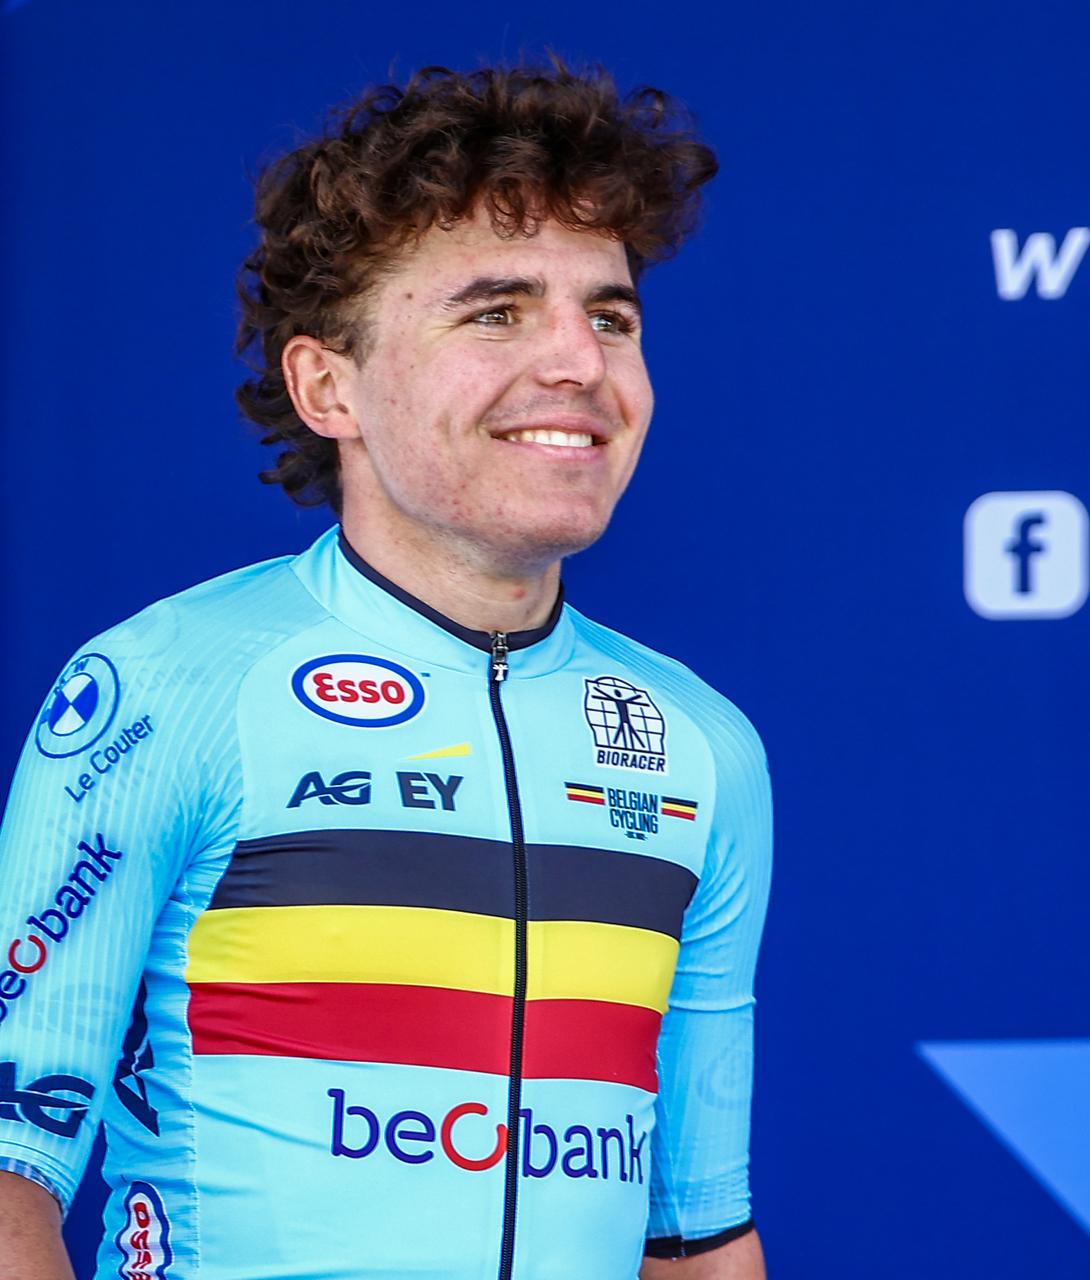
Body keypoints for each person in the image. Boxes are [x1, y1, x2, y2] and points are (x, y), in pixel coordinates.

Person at [0, 62, 769, 1279]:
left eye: (611, 317)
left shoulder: (700, 745)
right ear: (328, 385)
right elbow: (8, 1166)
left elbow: (698, 1231)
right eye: (498, 311)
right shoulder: (168, 688)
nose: (580, 362)